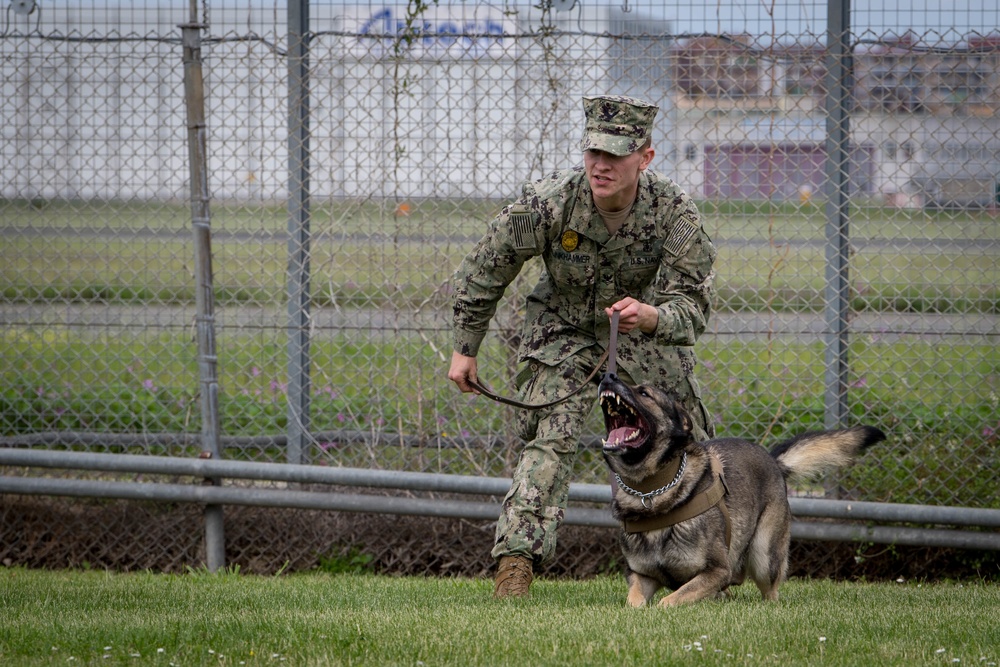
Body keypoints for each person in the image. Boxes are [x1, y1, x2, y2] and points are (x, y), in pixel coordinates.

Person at [448, 95, 717, 598]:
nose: (601, 164)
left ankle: (711, 563)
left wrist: (654, 315)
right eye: (594, 151)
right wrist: (466, 348)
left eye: (616, 154)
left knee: (690, 439)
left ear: (646, 157)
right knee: (552, 435)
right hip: (564, 332)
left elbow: (694, 307)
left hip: (641, 332)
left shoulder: (675, 213)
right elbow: (484, 269)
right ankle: (515, 566)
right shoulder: (549, 204)